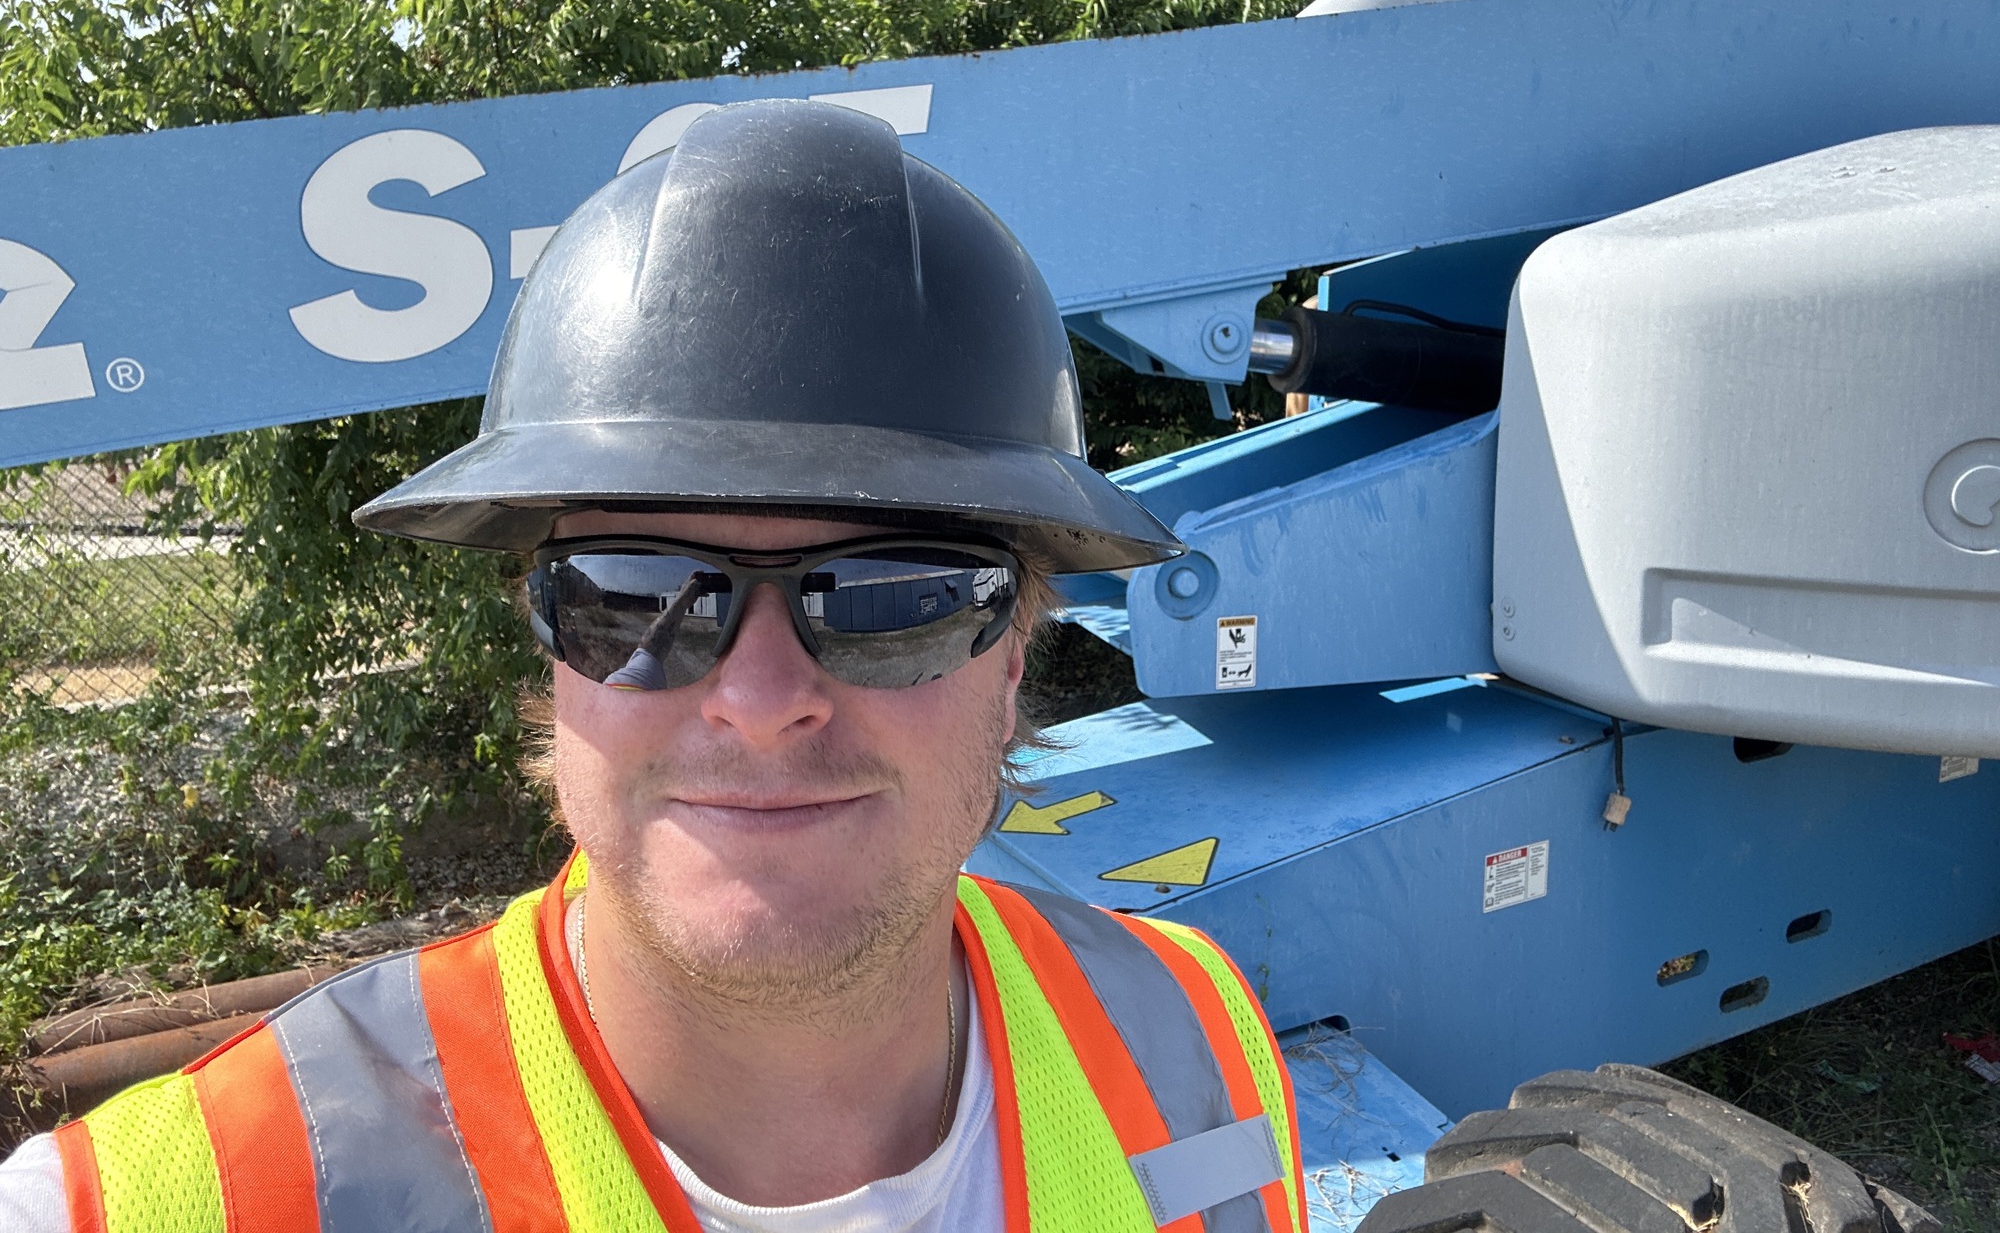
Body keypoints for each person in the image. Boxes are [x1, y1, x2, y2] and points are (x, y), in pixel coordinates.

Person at [0, 100, 1308, 1232]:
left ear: (1014, 655)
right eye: (634, 593)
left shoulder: (1195, 1035)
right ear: (550, 652)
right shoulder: (183, 1194)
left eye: (896, 599)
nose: (760, 701)